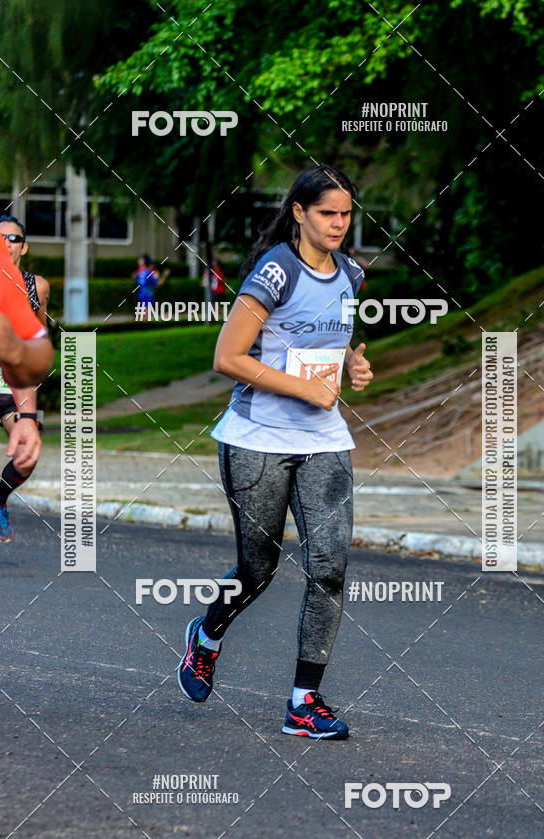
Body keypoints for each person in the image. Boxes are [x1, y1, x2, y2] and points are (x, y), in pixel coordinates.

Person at [178, 164, 373, 739]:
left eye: (346, 214)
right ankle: (206, 636)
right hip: (258, 439)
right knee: (257, 568)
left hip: (324, 440)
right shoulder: (275, 272)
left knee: (330, 568)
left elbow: (320, 342)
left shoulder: (351, 274)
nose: (338, 224)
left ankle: (304, 702)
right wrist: (304, 388)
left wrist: (351, 365)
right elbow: (228, 357)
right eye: (327, 213)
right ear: (299, 212)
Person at [0, 215, 50, 542]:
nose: (6, 244)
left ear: (23, 247)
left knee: (28, 456)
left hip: (15, 388)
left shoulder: (36, 287)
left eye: (13, 239)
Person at [132, 254, 170, 320]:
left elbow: (138, 281)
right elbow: (158, 284)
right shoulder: (149, 273)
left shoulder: (141, 273)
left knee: (141, 316)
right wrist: (164, 275)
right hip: (148, 296)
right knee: (146, 317)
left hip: (141, 295)